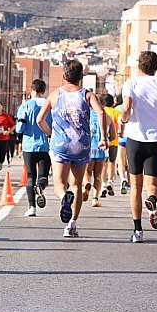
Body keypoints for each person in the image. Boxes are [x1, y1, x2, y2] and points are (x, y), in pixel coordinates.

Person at [37, 59, 108, 238]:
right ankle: (71, 225)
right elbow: (101, 113)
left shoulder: (55, 95)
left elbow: (39, 119)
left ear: (63, 76)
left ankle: (63, 199)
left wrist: (50, 134)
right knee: (77, 184)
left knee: (59, 184)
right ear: (81, 77)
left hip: (60, 145)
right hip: (82, 145)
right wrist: (103, 138)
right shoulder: (88, 95)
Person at [120, 51, 157, 242]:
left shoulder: (131, 83)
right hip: (156, 141)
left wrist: (124, 119)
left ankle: (138, 231)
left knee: (136, 187)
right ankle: (152, 201)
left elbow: (127, 107)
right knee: (152, 185)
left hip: (135, 139)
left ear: (139, 65)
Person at [16, 79, 51, 217]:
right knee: (43, 176)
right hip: (46, 146)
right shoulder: (50, 105)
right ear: (44, 91)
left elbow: (20, 127)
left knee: (30, 176)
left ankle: (31, 207)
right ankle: (40, 187)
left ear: (32, 89)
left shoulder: (25, 106)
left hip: (29, 146)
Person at [82, 105, 116, 207]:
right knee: (98, 175)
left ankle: (86, 184)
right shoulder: (107, 116)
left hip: (88, 148)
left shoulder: (85, 115)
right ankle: (95, 198)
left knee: (87, 172)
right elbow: (113, 136)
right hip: (101, 149)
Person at [101, 94, 121, 197]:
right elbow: (122, 122)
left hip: (103, 142)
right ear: (112, 102)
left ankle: (103, 184)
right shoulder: (115, 112)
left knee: (103, 163)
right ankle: (110, 181)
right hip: (113, 141)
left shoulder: (100, 113)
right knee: (112, 162)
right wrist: (121, 133)